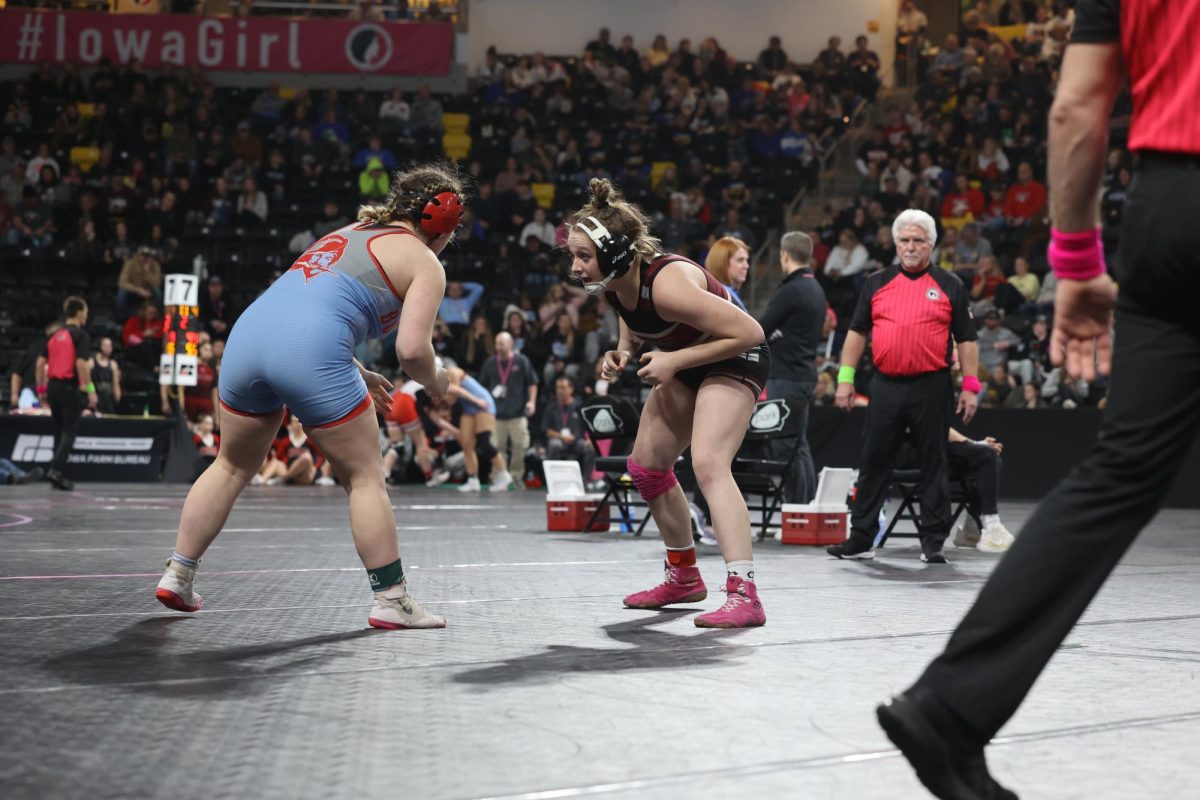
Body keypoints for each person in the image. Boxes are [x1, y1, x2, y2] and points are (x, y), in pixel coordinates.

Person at [878, 4, 1179, 796]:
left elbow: (1077, 105)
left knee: (1123, 470)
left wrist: (1075, 257)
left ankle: (948, 708)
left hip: (1168, 211)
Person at [154, 163, 463, 631]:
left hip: (248, 338)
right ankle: (392, 601)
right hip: (308, 350)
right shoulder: (425, 262)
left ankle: (178, 574)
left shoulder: (349, 231)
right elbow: (412, 351)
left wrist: (355, 369)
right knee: (364, 478)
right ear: (443, 224)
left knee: (231, 465)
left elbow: (303, 305)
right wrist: (437, 379)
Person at [566, 178, 769, 628]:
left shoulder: (669, 284)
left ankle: (745, 593)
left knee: (710, 464)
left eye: (584, 256)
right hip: (692, 359)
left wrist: (675, 360)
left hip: (736, 355)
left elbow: (751, 333)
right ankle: (683, 577)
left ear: (615, 252)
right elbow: (635, 320)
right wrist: (623, 350)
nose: (576, 267)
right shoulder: (615, 280)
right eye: (573, 256)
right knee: (646, 467)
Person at [828, 209, 980, 564]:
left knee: (934, 462)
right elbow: (856, 333)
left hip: (932, 384)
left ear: (931, 244)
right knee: (873, 461)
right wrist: (845, 380)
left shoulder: (950, 284)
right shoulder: (876, 283)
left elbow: (967, 339)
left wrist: (971, 386)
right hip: (886, 386)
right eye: (905, 241)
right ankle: (862, 537)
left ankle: (932, 542)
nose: (911, 247)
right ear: (896, 243)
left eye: (918, 241)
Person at [758, 231, 828, 503]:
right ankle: (805, 509)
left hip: (787, 377)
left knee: (787, 446)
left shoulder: (791, 290)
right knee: (799, 445)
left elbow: (760, 329)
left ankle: (796, 511)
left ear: (784, 256)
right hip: (802, 374)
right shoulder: (815, 288)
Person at [35, 296, 98, 491]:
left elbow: (39, 363)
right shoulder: (80, 336)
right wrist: (89, 389)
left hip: (53, 387)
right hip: (69, 387)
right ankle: (55, 470)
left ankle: (57, 473)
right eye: (86, 312)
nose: (87, 316)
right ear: (79, 313)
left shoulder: (55, 334)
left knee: (58, 431)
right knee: (69, 432)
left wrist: (41, 389)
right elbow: (81, 364)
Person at [478, 331, 538, 488]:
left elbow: (532, 383)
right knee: (497, 447)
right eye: (497, 343)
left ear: (511, 344)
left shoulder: (521, 361)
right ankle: (499, 476)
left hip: (517, 413)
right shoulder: (490, 363)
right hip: (496, 414)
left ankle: (517, 476)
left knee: (520, 445)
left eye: (501, 343)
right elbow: (482, 387)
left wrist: (532, 402)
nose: (498, 347)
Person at [442, 366, 514, 492]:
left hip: (482, 402)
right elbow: (451, 400)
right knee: (466, 444)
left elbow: (456, 391)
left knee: (484, 442)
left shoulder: (454, 371)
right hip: (469, 408)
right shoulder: (441, 382)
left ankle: (504, 475)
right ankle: (473, 479)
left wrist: (476, 401)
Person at [946, 428, 1014, 553]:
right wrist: (978, 444)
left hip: (941, 451)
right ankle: (992, 527)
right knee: (987, 454)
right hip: (921, 453)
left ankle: (971, 530)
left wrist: (978, 445)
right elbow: (940, 429)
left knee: (993, 459)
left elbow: (943, 428)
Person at [540, 376, 594, 480]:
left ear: (571, 389)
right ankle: (554, 479)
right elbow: (546, 430)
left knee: (590, 448)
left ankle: (584, 481)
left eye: (563, 388)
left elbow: (588, 426)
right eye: (558, 388)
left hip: (576, 441)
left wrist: (589, 440)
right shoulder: (551, 408)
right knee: (555, 444)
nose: (560, 391)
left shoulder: (580, 406)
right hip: (559, 440)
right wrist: (561, 437)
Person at [704, 236, 751, 311]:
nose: (747, 266)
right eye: (740, 260)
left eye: (747, 260)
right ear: (722, 263)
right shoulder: (718, 297)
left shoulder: (728, 294)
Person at [88, 336, 121, 414]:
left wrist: (118, 400)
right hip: (94, 400)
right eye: (105, 346)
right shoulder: (91, 363)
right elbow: (87, 381)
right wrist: (91, 393)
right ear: (100, 346)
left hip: (108, 401)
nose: (108, 348)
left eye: (110, 346)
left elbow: (116, 386)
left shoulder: (113, 365)